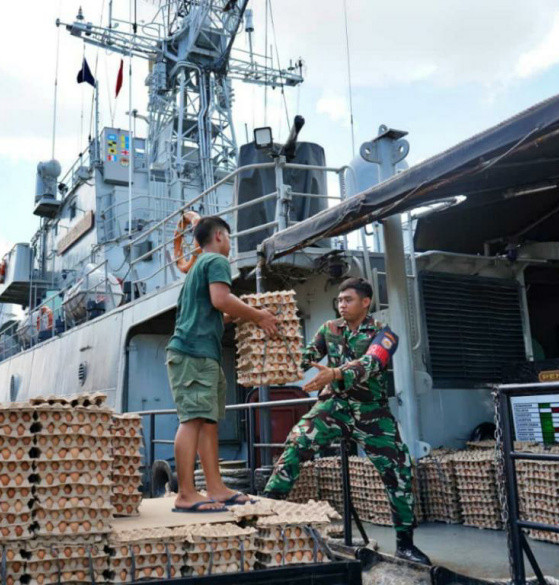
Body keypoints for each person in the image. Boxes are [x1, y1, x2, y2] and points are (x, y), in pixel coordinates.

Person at [263, 277, 431, 565]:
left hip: (372, 412)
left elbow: (372, 362)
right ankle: (264, 519)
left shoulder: (384, 334)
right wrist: (280, 348)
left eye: (348, 299)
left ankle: (405, 544)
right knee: (296, 443)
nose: (341, 305)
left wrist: (336, 373)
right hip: (335, 406)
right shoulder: (329, 329)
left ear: (366, 302)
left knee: (399, 471)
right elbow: (305, 357)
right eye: (339, 300)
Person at [166, 216, 279, 513]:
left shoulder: (195, 271)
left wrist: (239, 313)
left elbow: (213, 311)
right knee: (192, 419)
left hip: (202, 353)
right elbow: (220, 299)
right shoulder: (215, 261)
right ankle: (186, 493)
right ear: (218, 236)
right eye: (228, 237)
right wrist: (259, 316)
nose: (229, 243)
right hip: (194, 354)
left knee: (208, 422)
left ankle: (215, 488)